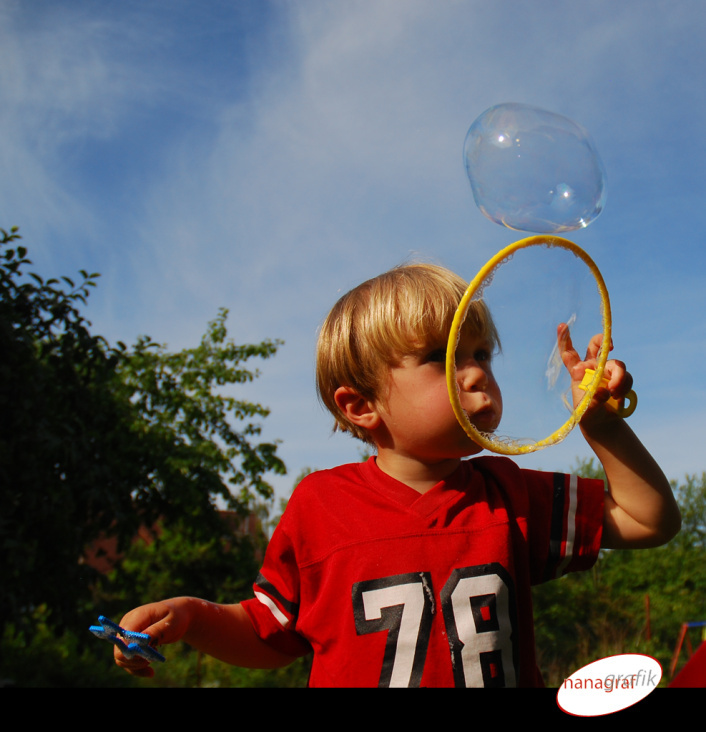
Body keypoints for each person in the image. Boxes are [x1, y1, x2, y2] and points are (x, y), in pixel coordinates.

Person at [114, 263, 681, 687]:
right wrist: (192, 616)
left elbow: (649, 521)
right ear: (361, 406)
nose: (477, 374)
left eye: (482, 353)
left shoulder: (509, 492)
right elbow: (271, 632)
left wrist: (602, 427)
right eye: (442, 357)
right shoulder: (319, 505)